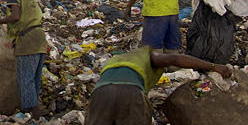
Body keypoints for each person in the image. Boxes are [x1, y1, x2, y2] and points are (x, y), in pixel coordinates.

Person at [85, 46, 231, 125]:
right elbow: (175, 58)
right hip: (130, 92)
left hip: (100, 95)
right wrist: (212, 66)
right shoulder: (147, 55)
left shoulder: (114, 60)